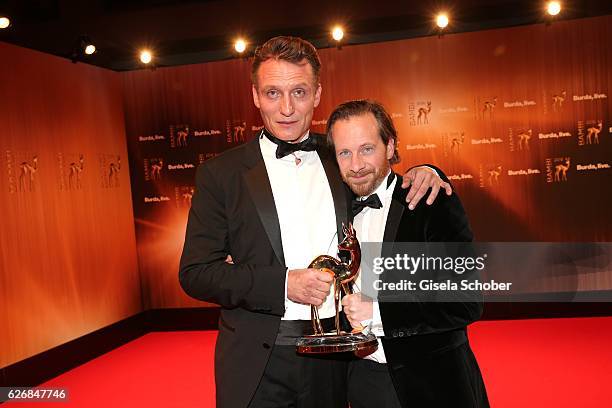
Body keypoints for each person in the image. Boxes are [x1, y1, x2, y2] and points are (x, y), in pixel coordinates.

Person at [179, 37, 452, 408]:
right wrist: (282, 284)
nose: (287, 108)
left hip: (336, 355)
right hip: (258, 360)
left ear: (318, 93)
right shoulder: (221, 175)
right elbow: (196, 272)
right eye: (273, 93)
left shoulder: (340, 156)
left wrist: (427, 170)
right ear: (256, 96)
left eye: (299, 92)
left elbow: (383, 183)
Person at [328, 99, 489, 407]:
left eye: (367, 149)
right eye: (344, 153)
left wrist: (378, 313)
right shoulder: (335, 212)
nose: (356, 164)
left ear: (390, 146)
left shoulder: (430, 200)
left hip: (432, 382)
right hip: (363, 383)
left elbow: (466, 301)